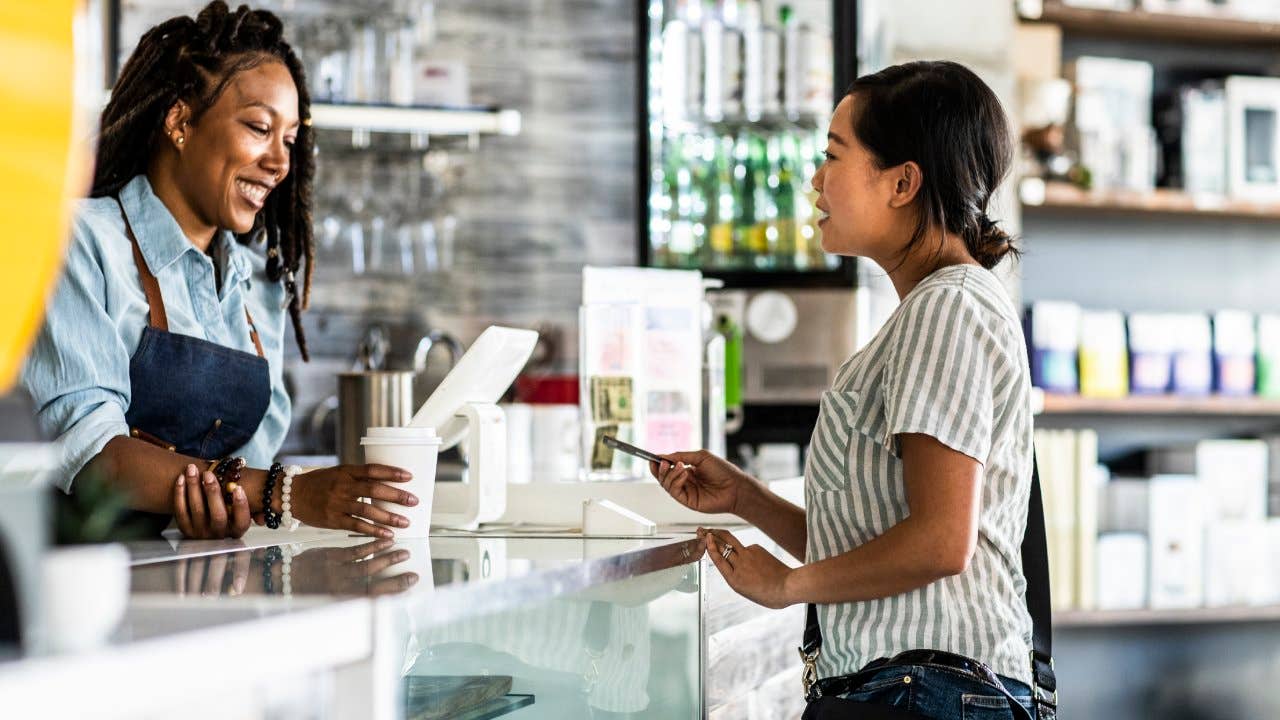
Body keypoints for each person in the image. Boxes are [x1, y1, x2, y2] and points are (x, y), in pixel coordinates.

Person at [652, 61, 1038, 718]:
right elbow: (875, 545)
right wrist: (744, 498)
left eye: (833, 157)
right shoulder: (940, 306)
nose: (816, 182)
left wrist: (786, 586)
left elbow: (940, 541)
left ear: (902, 182)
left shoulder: (947, 309)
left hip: (922, 697)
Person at [22, 2, 417, 539]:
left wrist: (237, 501)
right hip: (75, 582)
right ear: (181, 121)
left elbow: (246, 467)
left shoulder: (260, 289)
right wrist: (287, 491)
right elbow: (95, 456)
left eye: (290, 141)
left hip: (195, 576)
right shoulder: (80, 243)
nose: (280, 163)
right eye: (259, 127)